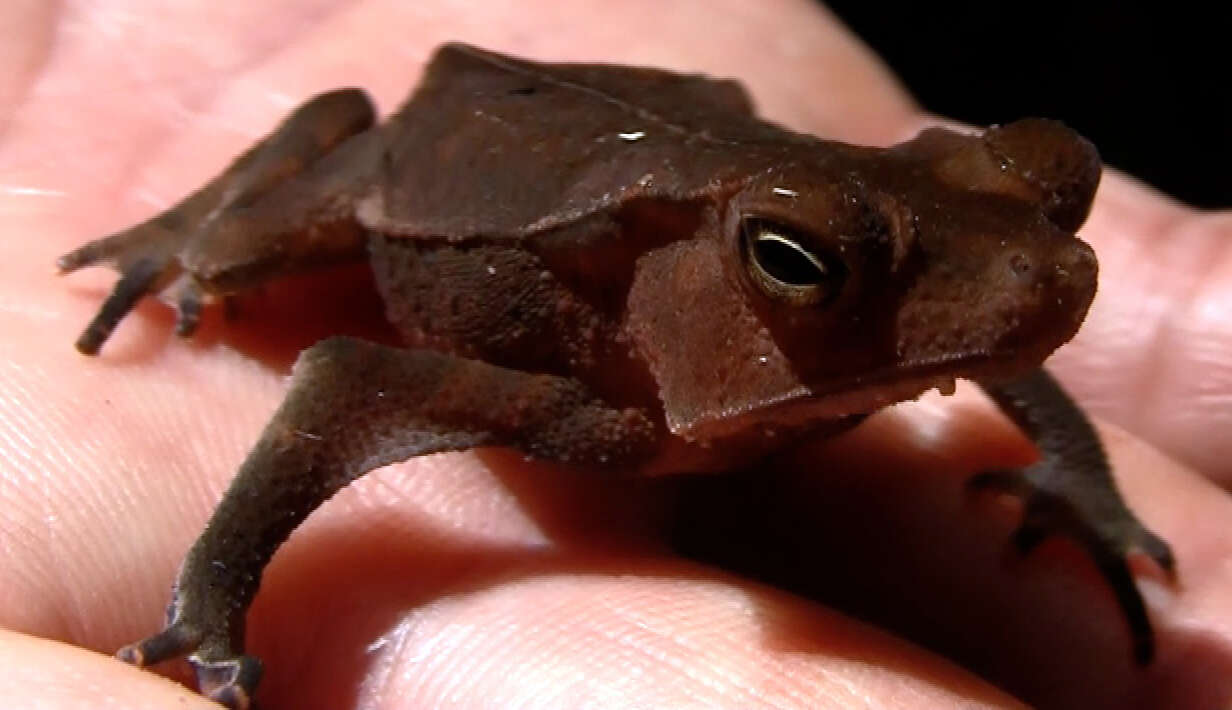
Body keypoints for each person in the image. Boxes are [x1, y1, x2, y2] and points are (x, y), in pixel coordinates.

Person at [2, 1, 1228, 708]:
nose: (1033, 272)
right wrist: (208, 609)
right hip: (458, 171)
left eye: (1049, 201)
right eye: (798, 269)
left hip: (693, 143)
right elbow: (349, 381)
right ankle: (187, 228)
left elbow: (979, 325)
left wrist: (1080, 476)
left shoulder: (905, 299)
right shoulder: (599, 407)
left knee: (902, 275)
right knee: (235, 255)